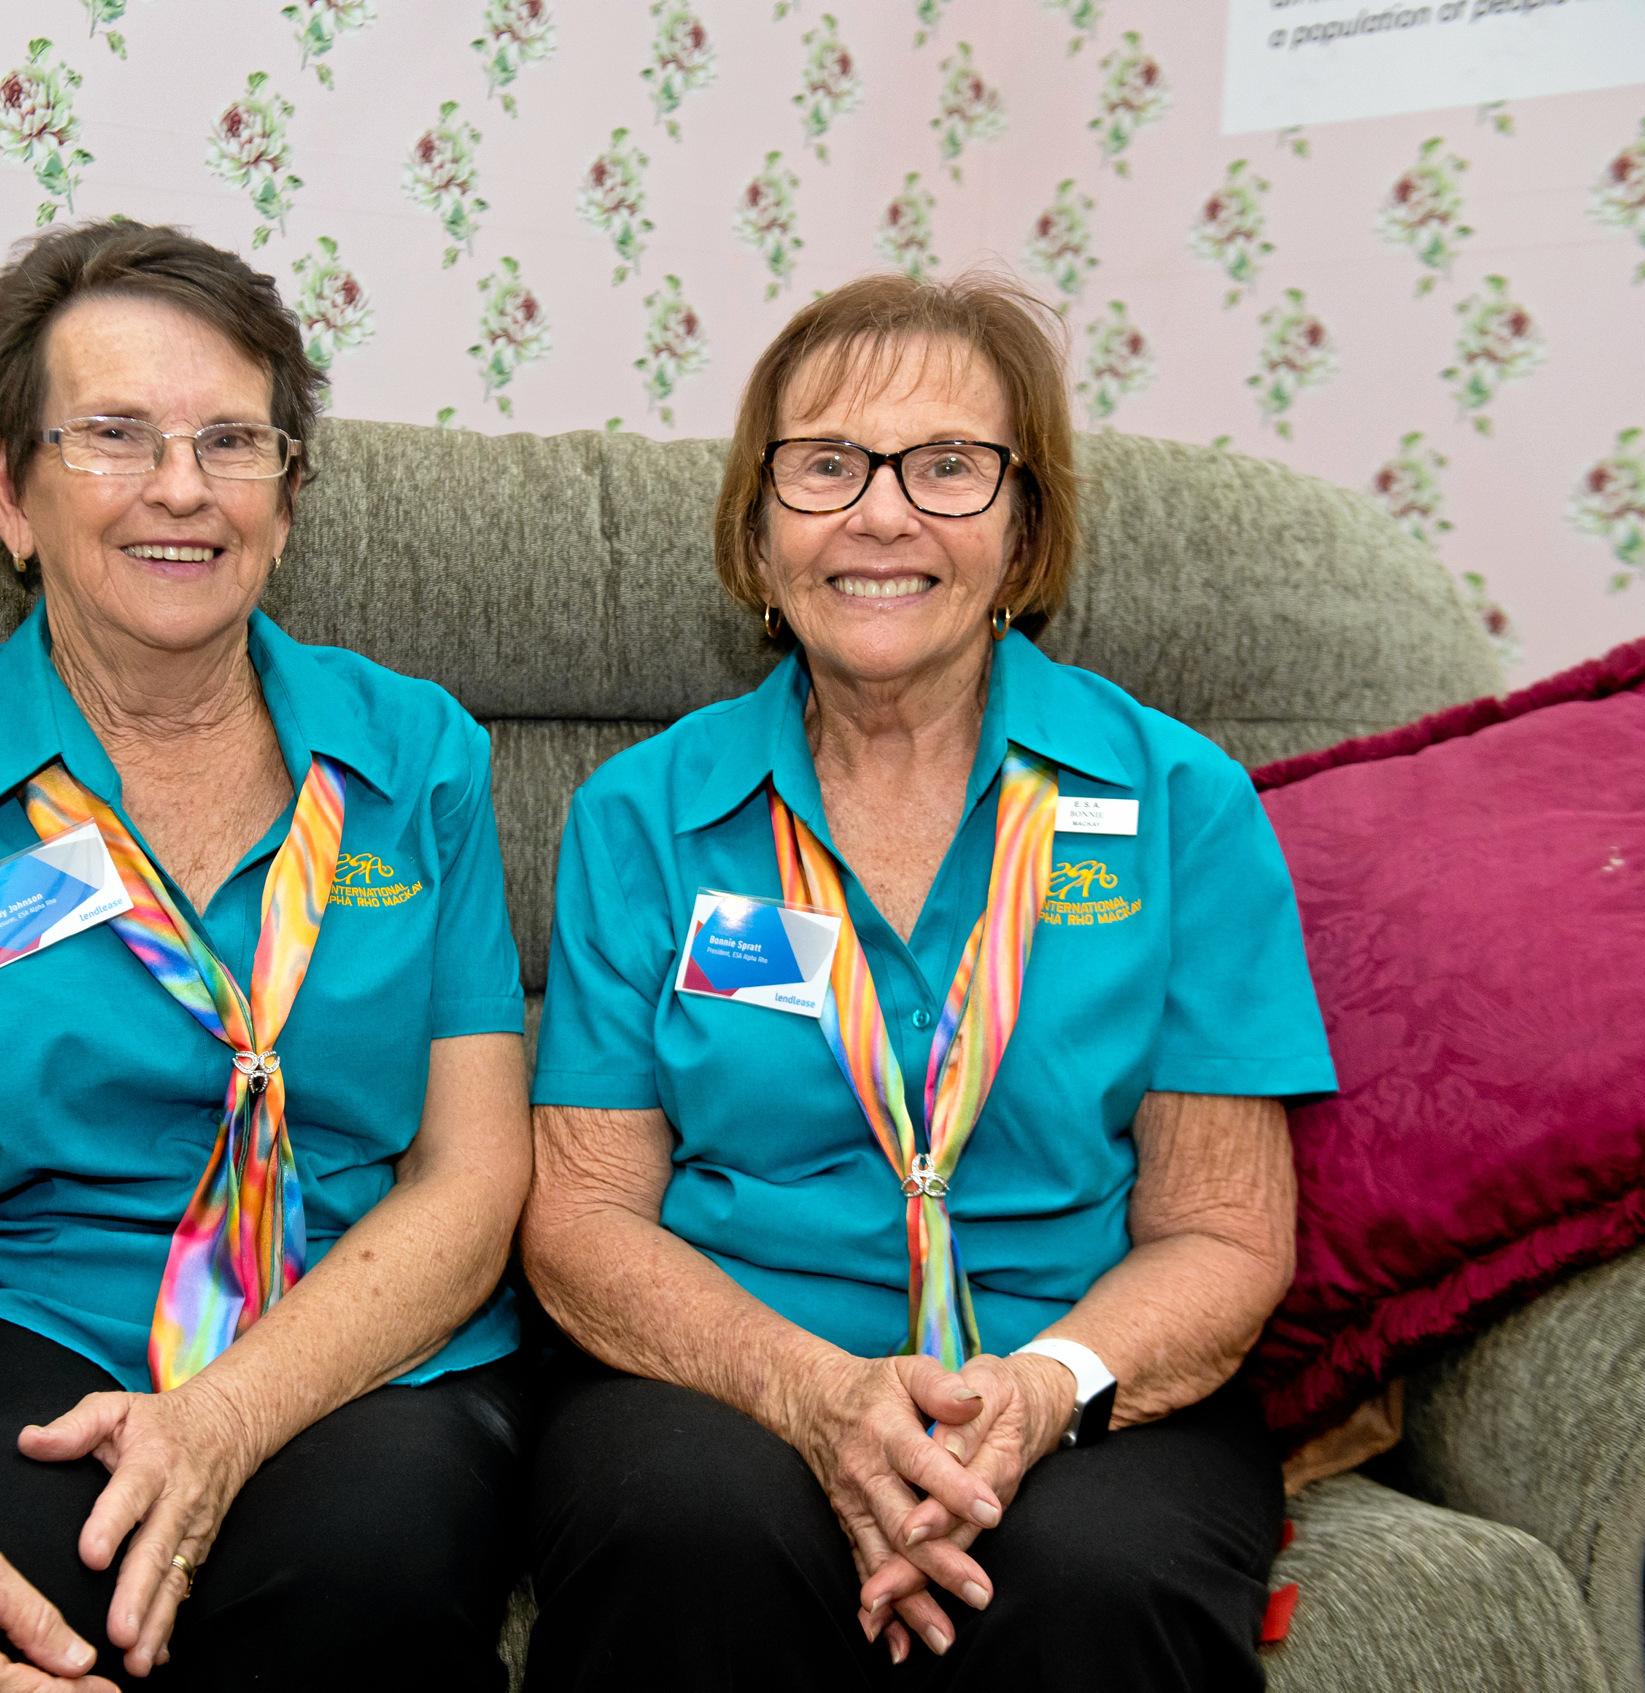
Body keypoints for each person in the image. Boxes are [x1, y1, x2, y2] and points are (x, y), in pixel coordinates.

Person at [518, 271, 1337, 1691]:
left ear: (1025, 533)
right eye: (824, 465)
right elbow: (583, 1213)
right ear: (756, 531)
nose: (879, 513)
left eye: (947, 467)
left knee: (1096, 1579)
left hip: (1079, 1375)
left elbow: (1221, 1232)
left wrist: (1038, 1392)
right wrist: (813, 1393)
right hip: (731, 1372)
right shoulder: (637, 812)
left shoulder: (1178, 801)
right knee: (688, 1529)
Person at [0, 221, 531, 1693]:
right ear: (7, 487)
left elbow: (471, 1180)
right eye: (113, 434)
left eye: (233, 441)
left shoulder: (417, 752)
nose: (181, 486)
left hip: (360, 1336)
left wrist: (225, 1414)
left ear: (286, 502)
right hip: (37, 1324)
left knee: (365, 1589)